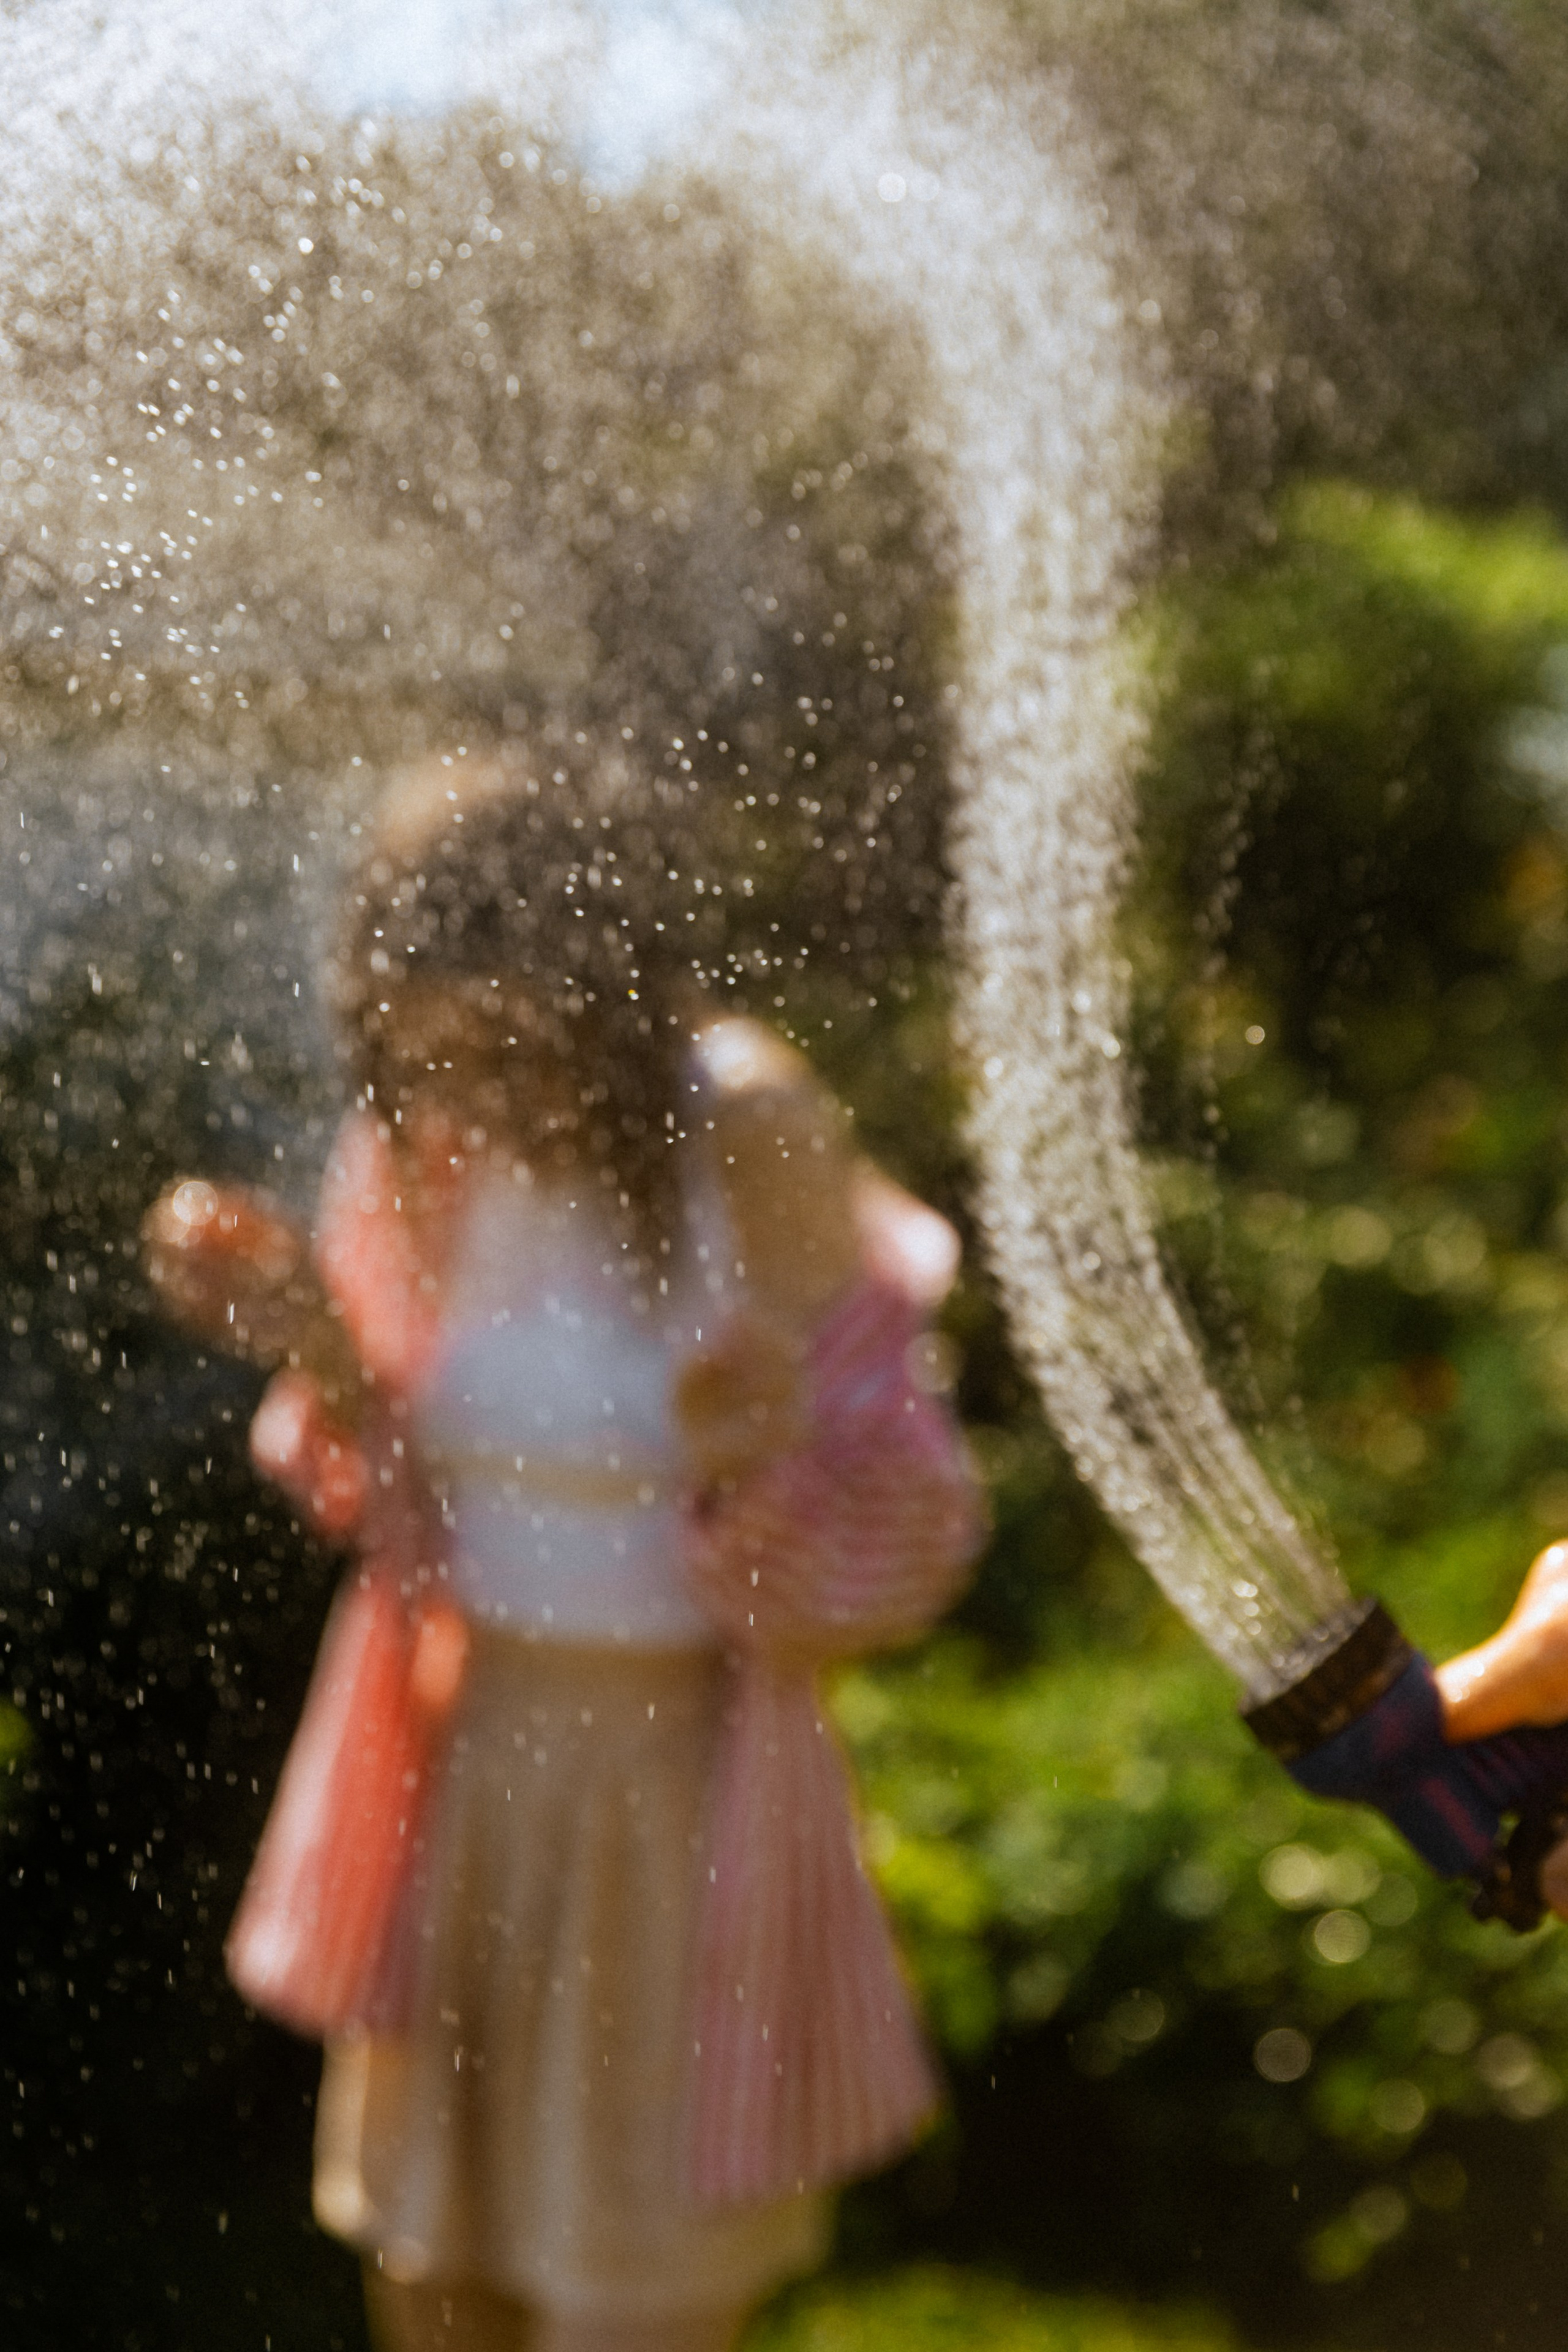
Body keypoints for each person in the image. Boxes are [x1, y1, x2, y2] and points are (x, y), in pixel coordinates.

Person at [157, 751, 985, 2352]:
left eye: (505, 1050)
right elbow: (412, 1498)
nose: (468, 1099)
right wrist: (309, 1332)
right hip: (463, 1768)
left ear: (607, 995)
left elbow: (911, 1540)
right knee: (433, 2289)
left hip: (677, 1800)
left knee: (630, 2304)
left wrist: (759, 1463)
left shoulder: (748, 1133)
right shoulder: (429, 1146)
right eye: (428, 1057)